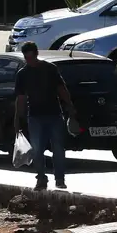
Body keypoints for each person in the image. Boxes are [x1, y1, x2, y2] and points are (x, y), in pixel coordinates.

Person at [15, 41, 77, 190]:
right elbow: (21, 98)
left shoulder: (50, 69)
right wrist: (18, 118)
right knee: (37, 149)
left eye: (31, 57)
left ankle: (60, 179)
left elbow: (61, 89)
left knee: (58, 148)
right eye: (26, 58)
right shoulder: (23, 74)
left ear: (36, 54)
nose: (29, 61)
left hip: (54, 114)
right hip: (35, 116)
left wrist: (70, 107)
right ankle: (41, 178)